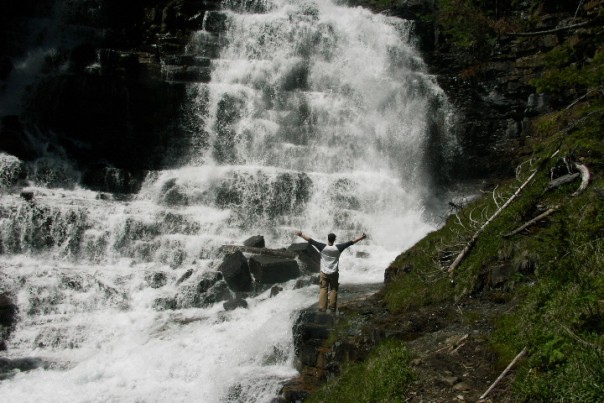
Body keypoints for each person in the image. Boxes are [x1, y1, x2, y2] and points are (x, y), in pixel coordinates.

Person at [294, 230, 367, 313]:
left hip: (324, 272)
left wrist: (301, 235)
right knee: (333, 289)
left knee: (323, 289)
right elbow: (351, 242)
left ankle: (322, 308)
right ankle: (332, 307)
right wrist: (362, 237)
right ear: (334, 239)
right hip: (334, 273)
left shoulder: (322, 247)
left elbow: (310, 240)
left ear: (328, 239)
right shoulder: (339, 248)